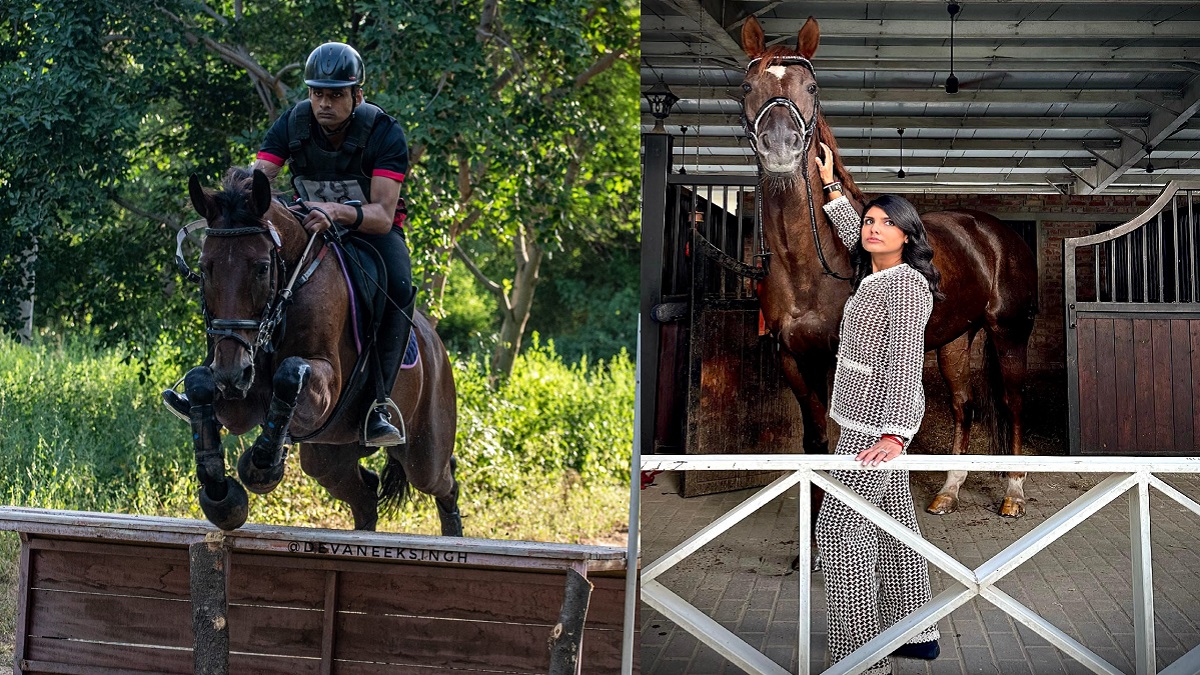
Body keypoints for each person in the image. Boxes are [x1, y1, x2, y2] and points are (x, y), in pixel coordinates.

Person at [164, 42, 414, 447]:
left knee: (400, 287)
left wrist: (337, 211)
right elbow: (256, 180)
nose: (325, 104)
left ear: (358, 95)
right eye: (318, 94)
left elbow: (383, 215)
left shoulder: (385, 133)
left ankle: (379, 405)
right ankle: (214, 373)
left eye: (336, 95)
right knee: (239, 272)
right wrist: (228, 207)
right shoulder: (292, 124)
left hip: (370, 234)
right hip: (308, 228)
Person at [814, 141, 944, 674]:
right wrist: (829, 185)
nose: (872, 228)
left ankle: (862, 657)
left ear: (908, 236)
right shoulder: (877, 272)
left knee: (838, 535)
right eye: (869, 220)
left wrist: (894, 434)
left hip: (875, 433)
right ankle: (916, 632)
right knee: (893, 529)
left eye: (887, 223)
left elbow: (904, 365)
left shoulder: (908, 286)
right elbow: (852, 234)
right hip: (858, 424)